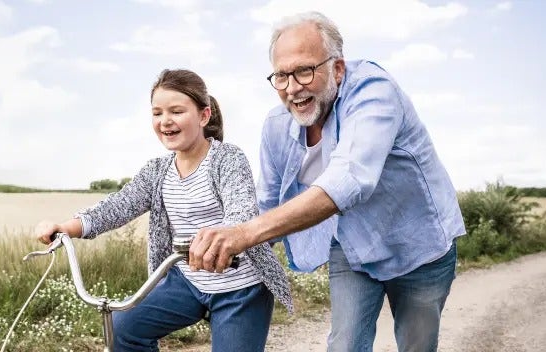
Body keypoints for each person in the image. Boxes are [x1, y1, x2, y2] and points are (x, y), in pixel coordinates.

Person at [188, 11, 466, 352]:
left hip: (418, 244)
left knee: (417, 344)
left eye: (304, 71)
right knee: (345, 344)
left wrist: (246, 234)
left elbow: (350, 179)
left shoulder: (374, 92)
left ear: (337, 68)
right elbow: (265, 201)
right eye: (281, 76)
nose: (292, 88)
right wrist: (225, 243)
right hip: (353, 247)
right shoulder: (277, 124)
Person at [34, 69, 292, 352]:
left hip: (239, 287)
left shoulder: (227, 159)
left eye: (176, 111)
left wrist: (223, 242)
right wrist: (66, 228)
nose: (165, 121)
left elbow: (240, 211)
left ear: (204, 116)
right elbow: (118, 206)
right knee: (123, 330)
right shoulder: (157, 171)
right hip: (188, 280)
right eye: (157, 113)